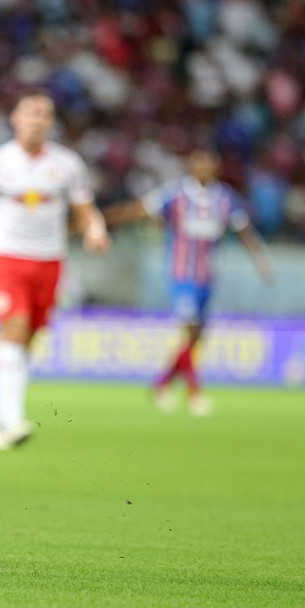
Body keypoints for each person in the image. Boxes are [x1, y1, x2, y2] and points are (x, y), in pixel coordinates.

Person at [0, 91, 110, 451]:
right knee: (14, 330)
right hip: (7, 260)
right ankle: (14, 420)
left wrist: (95, 228)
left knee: (26, 341)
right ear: (15, 119)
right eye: (31, 113)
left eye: (45, 114)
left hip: (50, 262)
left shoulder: (67, 164)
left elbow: (85, 208)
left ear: (51, 122)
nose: (38, 120)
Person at [103, 148, 273, 415]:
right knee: (191, 330)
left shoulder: (226, 198)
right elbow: (139, 209)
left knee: (197, 337)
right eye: (199, 163)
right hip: (182, 275)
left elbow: (243, 231)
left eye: (209, 163)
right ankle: (194, 395)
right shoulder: (176, 194)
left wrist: (260, 259)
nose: (204, 168)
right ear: (190, 167)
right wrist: (105, 219)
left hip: (208, 276)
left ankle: (162, 383)